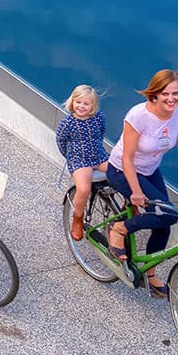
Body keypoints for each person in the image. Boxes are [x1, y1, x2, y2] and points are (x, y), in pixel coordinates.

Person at [103, 69, 178, 297]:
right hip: (123, 170)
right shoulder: (138, 116)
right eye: (165, 94)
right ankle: (119, 228)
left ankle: (149, 272)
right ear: (154, 94)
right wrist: (136, 192)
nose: (171, 99)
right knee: (168, 214)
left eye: (176, 93)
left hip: (149, 171)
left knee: (165, 223)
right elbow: (127, 159)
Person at [55, 85, 107, 241]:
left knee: (122, 172)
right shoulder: (68, 123)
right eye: (78, 102)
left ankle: (127, 207)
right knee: (83, 189)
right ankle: (77, 218)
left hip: (99, 156)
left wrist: (97, 149)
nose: (81, 106)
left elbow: (101, 133)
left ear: (93, 105)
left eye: (86, 104)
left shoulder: (99, 117)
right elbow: (60, 141)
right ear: (72, 102)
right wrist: (70, 157)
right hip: (80, 160)